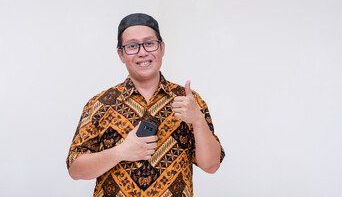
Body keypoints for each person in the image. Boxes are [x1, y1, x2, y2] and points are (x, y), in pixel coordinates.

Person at [66, 13, 225, 197]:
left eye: (149, 43)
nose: (142, 52)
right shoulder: (99, 104)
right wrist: (121, 152)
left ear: (162, 48)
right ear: (121, 54)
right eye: (132, 46)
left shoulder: (188, 101)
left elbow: (212, 166)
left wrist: (198, 120)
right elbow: (75, 169)